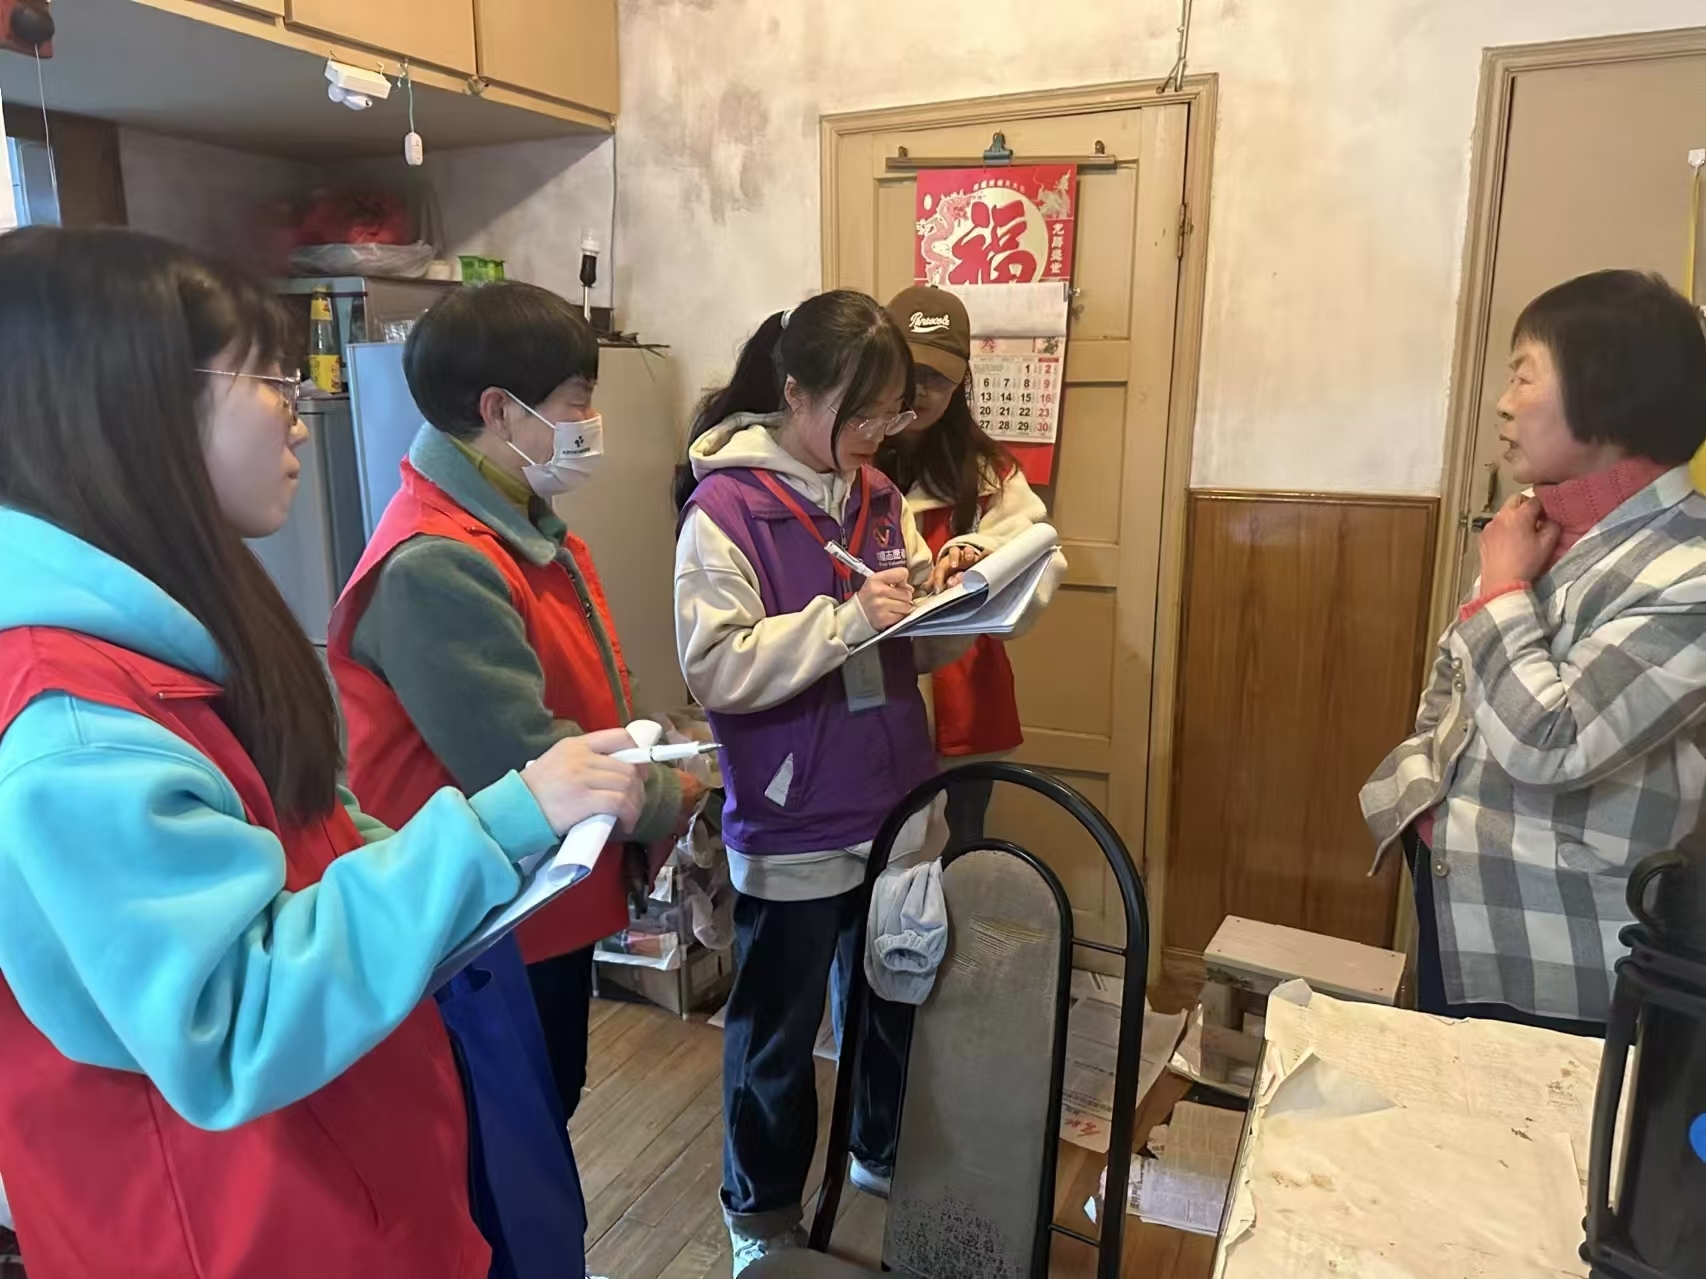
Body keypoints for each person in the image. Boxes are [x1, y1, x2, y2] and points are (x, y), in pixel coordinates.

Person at [0, 227, 645, 1278]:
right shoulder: (70, 729)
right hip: (240, 1229)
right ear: (132, 406)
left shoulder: (176, 632)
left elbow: (313, 835)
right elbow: (235, 1019)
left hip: (347, 1175)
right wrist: (493, 828)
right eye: (268, 379)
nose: (298, 408)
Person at [328, 281, 702, 1274]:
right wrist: (677, 792)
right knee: (497, 1157)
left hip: (539, 905)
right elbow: (523, 758)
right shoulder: (436, 561)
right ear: (500, 411)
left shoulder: (512, 522)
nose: (590, 422)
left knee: (538, 1121)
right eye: (577, 400)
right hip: (484, 925)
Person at [673, 291, 968, 1273]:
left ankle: (877, 1154)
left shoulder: (878, 496)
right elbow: (715, 665)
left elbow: (907, 646)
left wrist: (953, 602)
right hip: (793, 815)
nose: (878, 435)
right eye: (860, 412)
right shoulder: (726, 509)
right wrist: (846, 620)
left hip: (895, 797)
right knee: (777, 1034)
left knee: (893, 992)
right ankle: (760, 1213)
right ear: (794, 391)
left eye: (890, 413)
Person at [1362, 269, 1706, 1035]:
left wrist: (1500, 588)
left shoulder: (1690, 569)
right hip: (1457, 887)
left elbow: (1552, 743)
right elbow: (1452, 683)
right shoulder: (1537, 524)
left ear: (1610, 396)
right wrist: (1423, 790)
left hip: (1564, 946)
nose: (1503, 401)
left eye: (1525, 374)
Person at [878, 286, 1066, 845]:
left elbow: (1035, 555)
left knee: (959, 854)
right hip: (872, 693)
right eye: (910, 374)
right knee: (881, 861)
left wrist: (978, 551)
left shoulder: (989, 470)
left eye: (938, 378)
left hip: (965, 695)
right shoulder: (843, 459)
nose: (922, 391)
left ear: (961, 381)